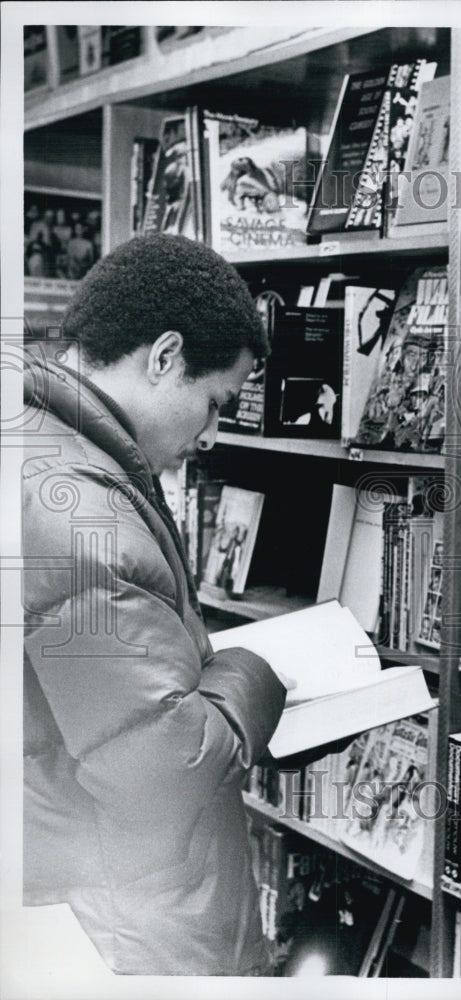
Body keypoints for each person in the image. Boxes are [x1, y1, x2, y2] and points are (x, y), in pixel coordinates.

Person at [22, 234, 291, 976]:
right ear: (165, 355)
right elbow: (159, 772)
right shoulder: (77, 511)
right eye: (214, 403)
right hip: (124, 928)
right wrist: (250, 677)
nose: (209, 435)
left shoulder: (47, 455)